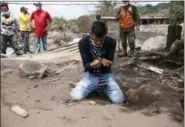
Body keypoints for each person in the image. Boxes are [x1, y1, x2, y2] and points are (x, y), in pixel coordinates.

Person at [71, 21, 125, 104]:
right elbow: (86, 65)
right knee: (76, 96)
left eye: (102, 39)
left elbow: (109, 65)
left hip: (106, 76)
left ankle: (97, 88)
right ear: (90, 33)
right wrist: (92, 65)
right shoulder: (83, 43)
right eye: (96, 40)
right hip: (90, 76)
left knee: (119, 100)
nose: (99, 42)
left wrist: (106, 62)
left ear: (105, 34)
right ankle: (94, 87)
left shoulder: (111, 42)